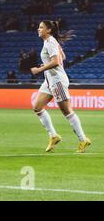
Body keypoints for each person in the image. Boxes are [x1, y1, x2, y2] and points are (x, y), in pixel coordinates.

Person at [30, 20, 91, 153]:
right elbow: (62, 56)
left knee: (67, 111)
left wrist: (40, 69)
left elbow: (57, 61)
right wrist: (46, 65)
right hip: (49, 80)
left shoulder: (51, 42)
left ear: (48, 30)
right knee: (37, 107)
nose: (38, 29)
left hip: (57, 81)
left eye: (41, 27)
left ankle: (83, 139)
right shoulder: (49, 42)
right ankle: (54, 136)